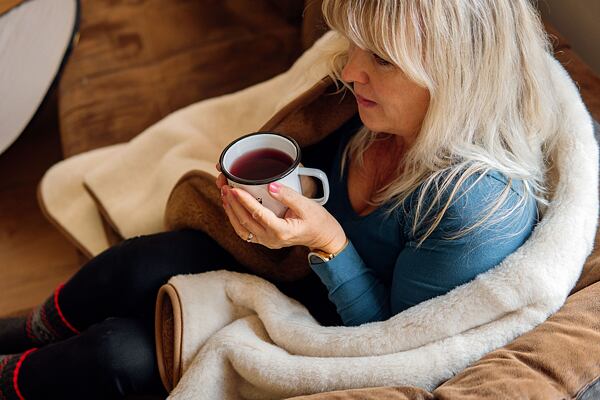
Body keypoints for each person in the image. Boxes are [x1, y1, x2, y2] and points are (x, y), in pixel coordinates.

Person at [0, 0, 561, 398]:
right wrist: (285, 202)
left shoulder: (474, 209)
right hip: (289, 267)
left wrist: (328, 243)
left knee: (116, 356)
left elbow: (389, 346)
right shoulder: (380, 111)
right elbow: (309, 146)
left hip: (325, 334)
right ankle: (29, 331)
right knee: (135, 262)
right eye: (355, 45)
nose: (349, 71)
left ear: (457, 75)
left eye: (382, 60)